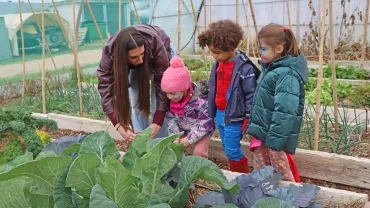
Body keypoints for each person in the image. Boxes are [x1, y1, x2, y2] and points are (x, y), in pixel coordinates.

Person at [246, 23, 308, 182]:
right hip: (265, 135)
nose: (260, 52)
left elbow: (286, 112)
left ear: (279, 49)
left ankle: (291, 200)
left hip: (274, 140)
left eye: (263, 48)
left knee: (281, 174)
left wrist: (275, 142)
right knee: (263, 172)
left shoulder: (287, 75)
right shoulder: (272, 69)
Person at [198, 20, 260, 173]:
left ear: (231, 48)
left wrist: (247, 117)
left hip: (235, 116)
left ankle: (242, 177)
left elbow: (250, 94)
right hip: (220, 113)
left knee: (232, 150)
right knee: (227, 147)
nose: (214, 56)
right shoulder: (217, 65)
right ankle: (235, 176)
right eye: (212, 52)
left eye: (217, 52)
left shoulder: (245, 69)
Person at [97, 24, 176, 141]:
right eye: (134, 57)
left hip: (161, 53)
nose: (140, 60)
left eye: (142, 54)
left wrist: (157, 123)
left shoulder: (154, 43)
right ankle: (139, 141)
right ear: (122, 56)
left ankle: (161, 144)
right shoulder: (110, 54)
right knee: (136, 103)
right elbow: (105, 87)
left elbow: (162, 87)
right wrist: (118, 125)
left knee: (158, 108)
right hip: (132, 63)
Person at [161, 56, 215, 158]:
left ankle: (199, 171)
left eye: (173, 93)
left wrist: (189, 139)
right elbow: (171, 120)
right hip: (182, 128)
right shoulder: (172, 101)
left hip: (202, 129)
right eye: (167, 93)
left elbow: (205, 122)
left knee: (199, 153)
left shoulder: (200, 100)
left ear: (184, 89)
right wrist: (175, 136)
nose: (170, 97)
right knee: (176, 149)